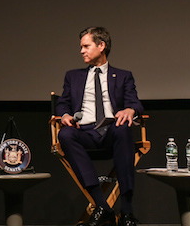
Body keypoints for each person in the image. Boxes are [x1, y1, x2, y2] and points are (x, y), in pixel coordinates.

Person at [56, 27, 143, 226]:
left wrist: (130, 110)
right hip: (84, 132)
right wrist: (65, 115)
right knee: (66, 135)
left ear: (101, 46)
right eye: (81, 47)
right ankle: (102, 205)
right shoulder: (73, 76)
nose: (81, 51)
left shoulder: (123, 76)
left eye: (86, 46)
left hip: (112, 131)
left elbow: (135, 103)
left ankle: (127, 211)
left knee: (123, 129)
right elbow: (63, 103)